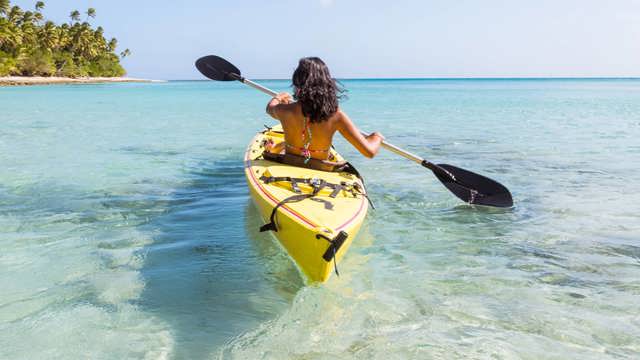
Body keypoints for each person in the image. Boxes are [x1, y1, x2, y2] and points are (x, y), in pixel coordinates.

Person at [265, 57, 384, 164]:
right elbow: (369, 152)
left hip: (290, 162)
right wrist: (376, 137)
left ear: (297, 82)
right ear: (327, 84)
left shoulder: (285, 111)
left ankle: (278, 147)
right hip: (320, 168)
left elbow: (269, 108)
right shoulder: (337, 116)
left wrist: (278, 98)